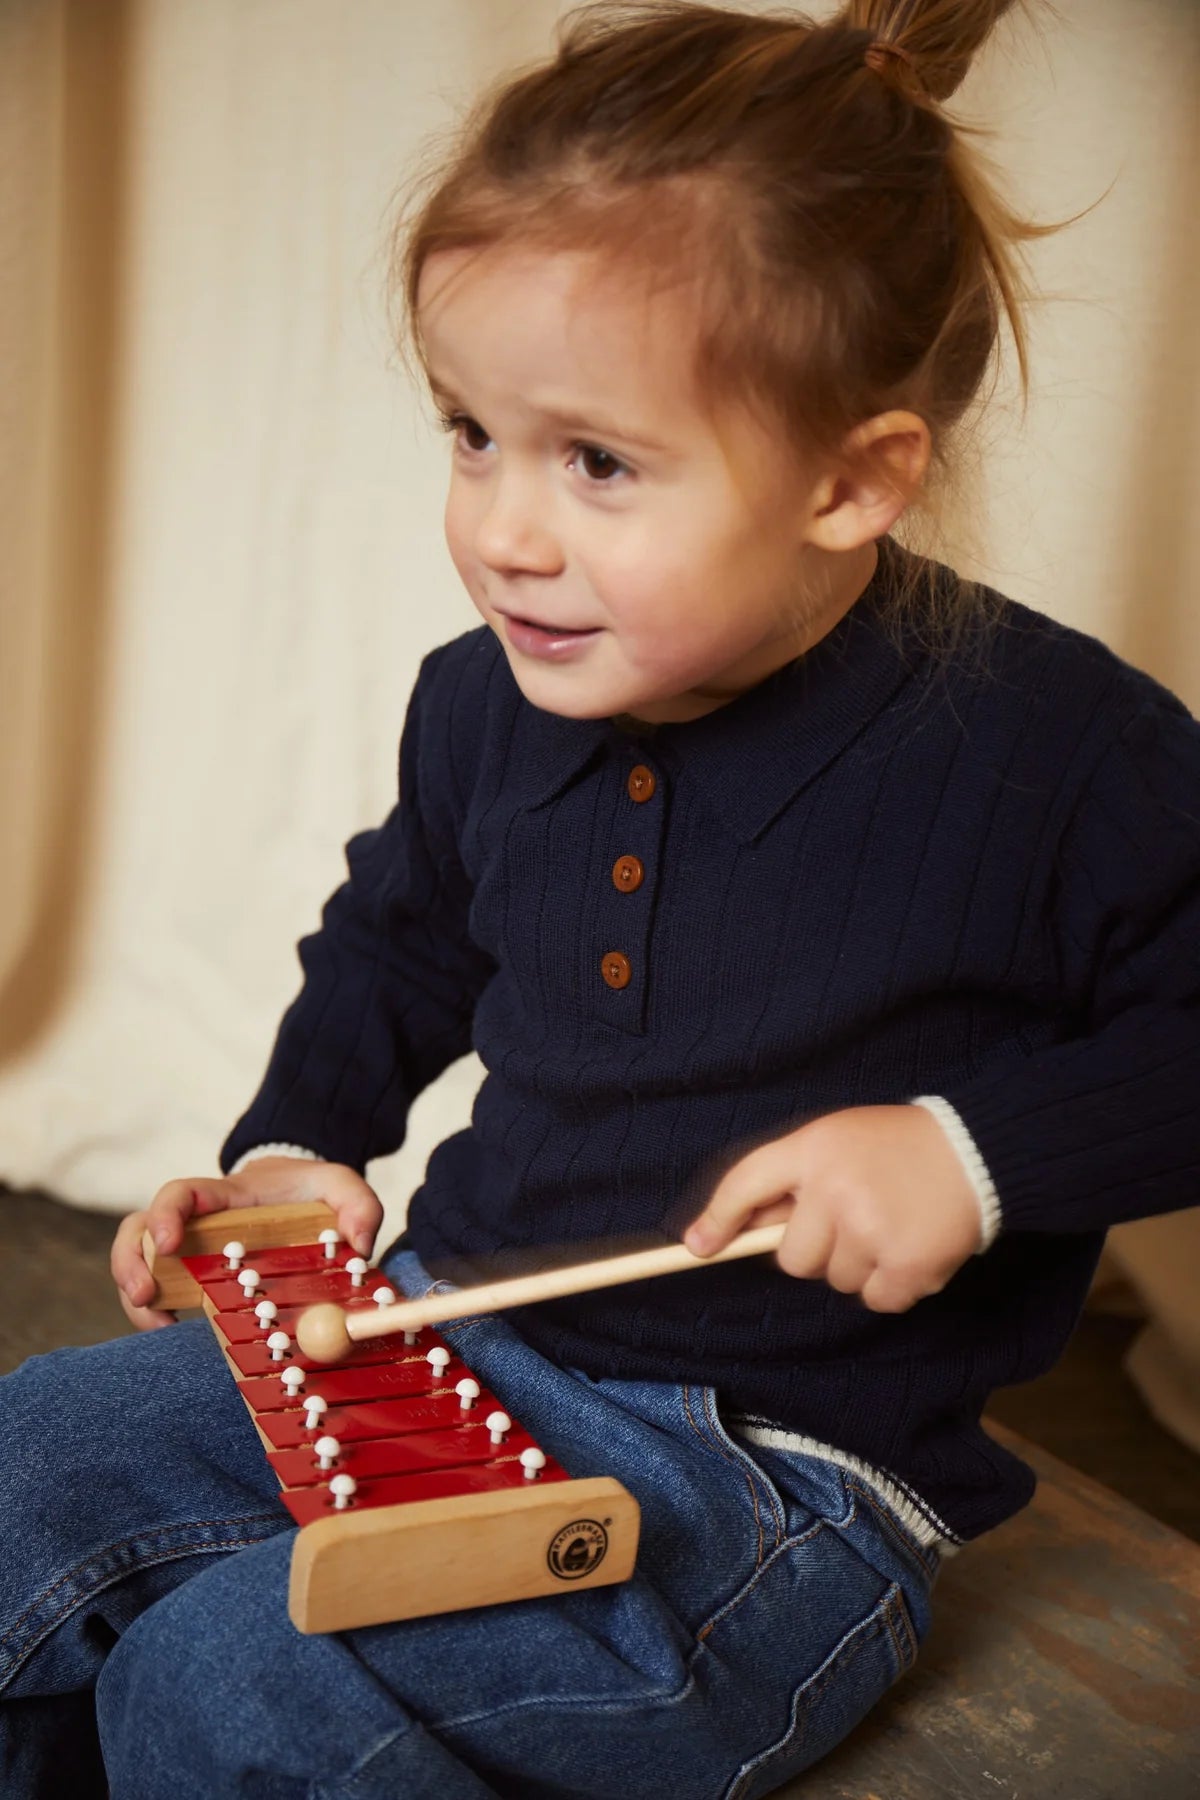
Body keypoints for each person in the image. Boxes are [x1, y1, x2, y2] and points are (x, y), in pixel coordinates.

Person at [3, 2, 1198, 1794]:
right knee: (27, 1462)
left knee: (243, 1681)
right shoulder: (480, 697)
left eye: (599, 463)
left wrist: (970, 1152)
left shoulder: (1060, 753)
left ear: (851, 478)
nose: (505, 529)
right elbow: (400, 935)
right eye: (471, 431)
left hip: (771, 1471)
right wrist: (293, 1148)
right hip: (437, 1330)